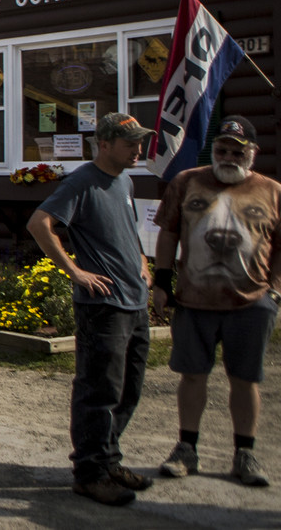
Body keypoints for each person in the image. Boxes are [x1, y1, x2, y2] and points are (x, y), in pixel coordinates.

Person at [28, 112, 157, 507]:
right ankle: (89, 473)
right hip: (103, 307)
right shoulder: (82, 181)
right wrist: (75, 271)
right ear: (104, 144)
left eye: (140, 141)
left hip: (134, 301)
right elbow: (39, 223)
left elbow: (128, 228)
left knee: (128, 389)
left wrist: (143, 262)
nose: (139, 149)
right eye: (130, 142)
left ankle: (108, 458)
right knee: (98, 390)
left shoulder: (125, 180)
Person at [153, 115, 280, 487]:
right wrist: (161, 282)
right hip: (193, 300)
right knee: (192, 376)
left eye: (237, 151)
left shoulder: (271, 191)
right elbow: (168, 233)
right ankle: (186, 450)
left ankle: (245, 455)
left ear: (252, 153)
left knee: (245, 380)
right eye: (222, 149)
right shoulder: (186, 181)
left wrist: (274, 290)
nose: (228, 156)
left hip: (251, 302)